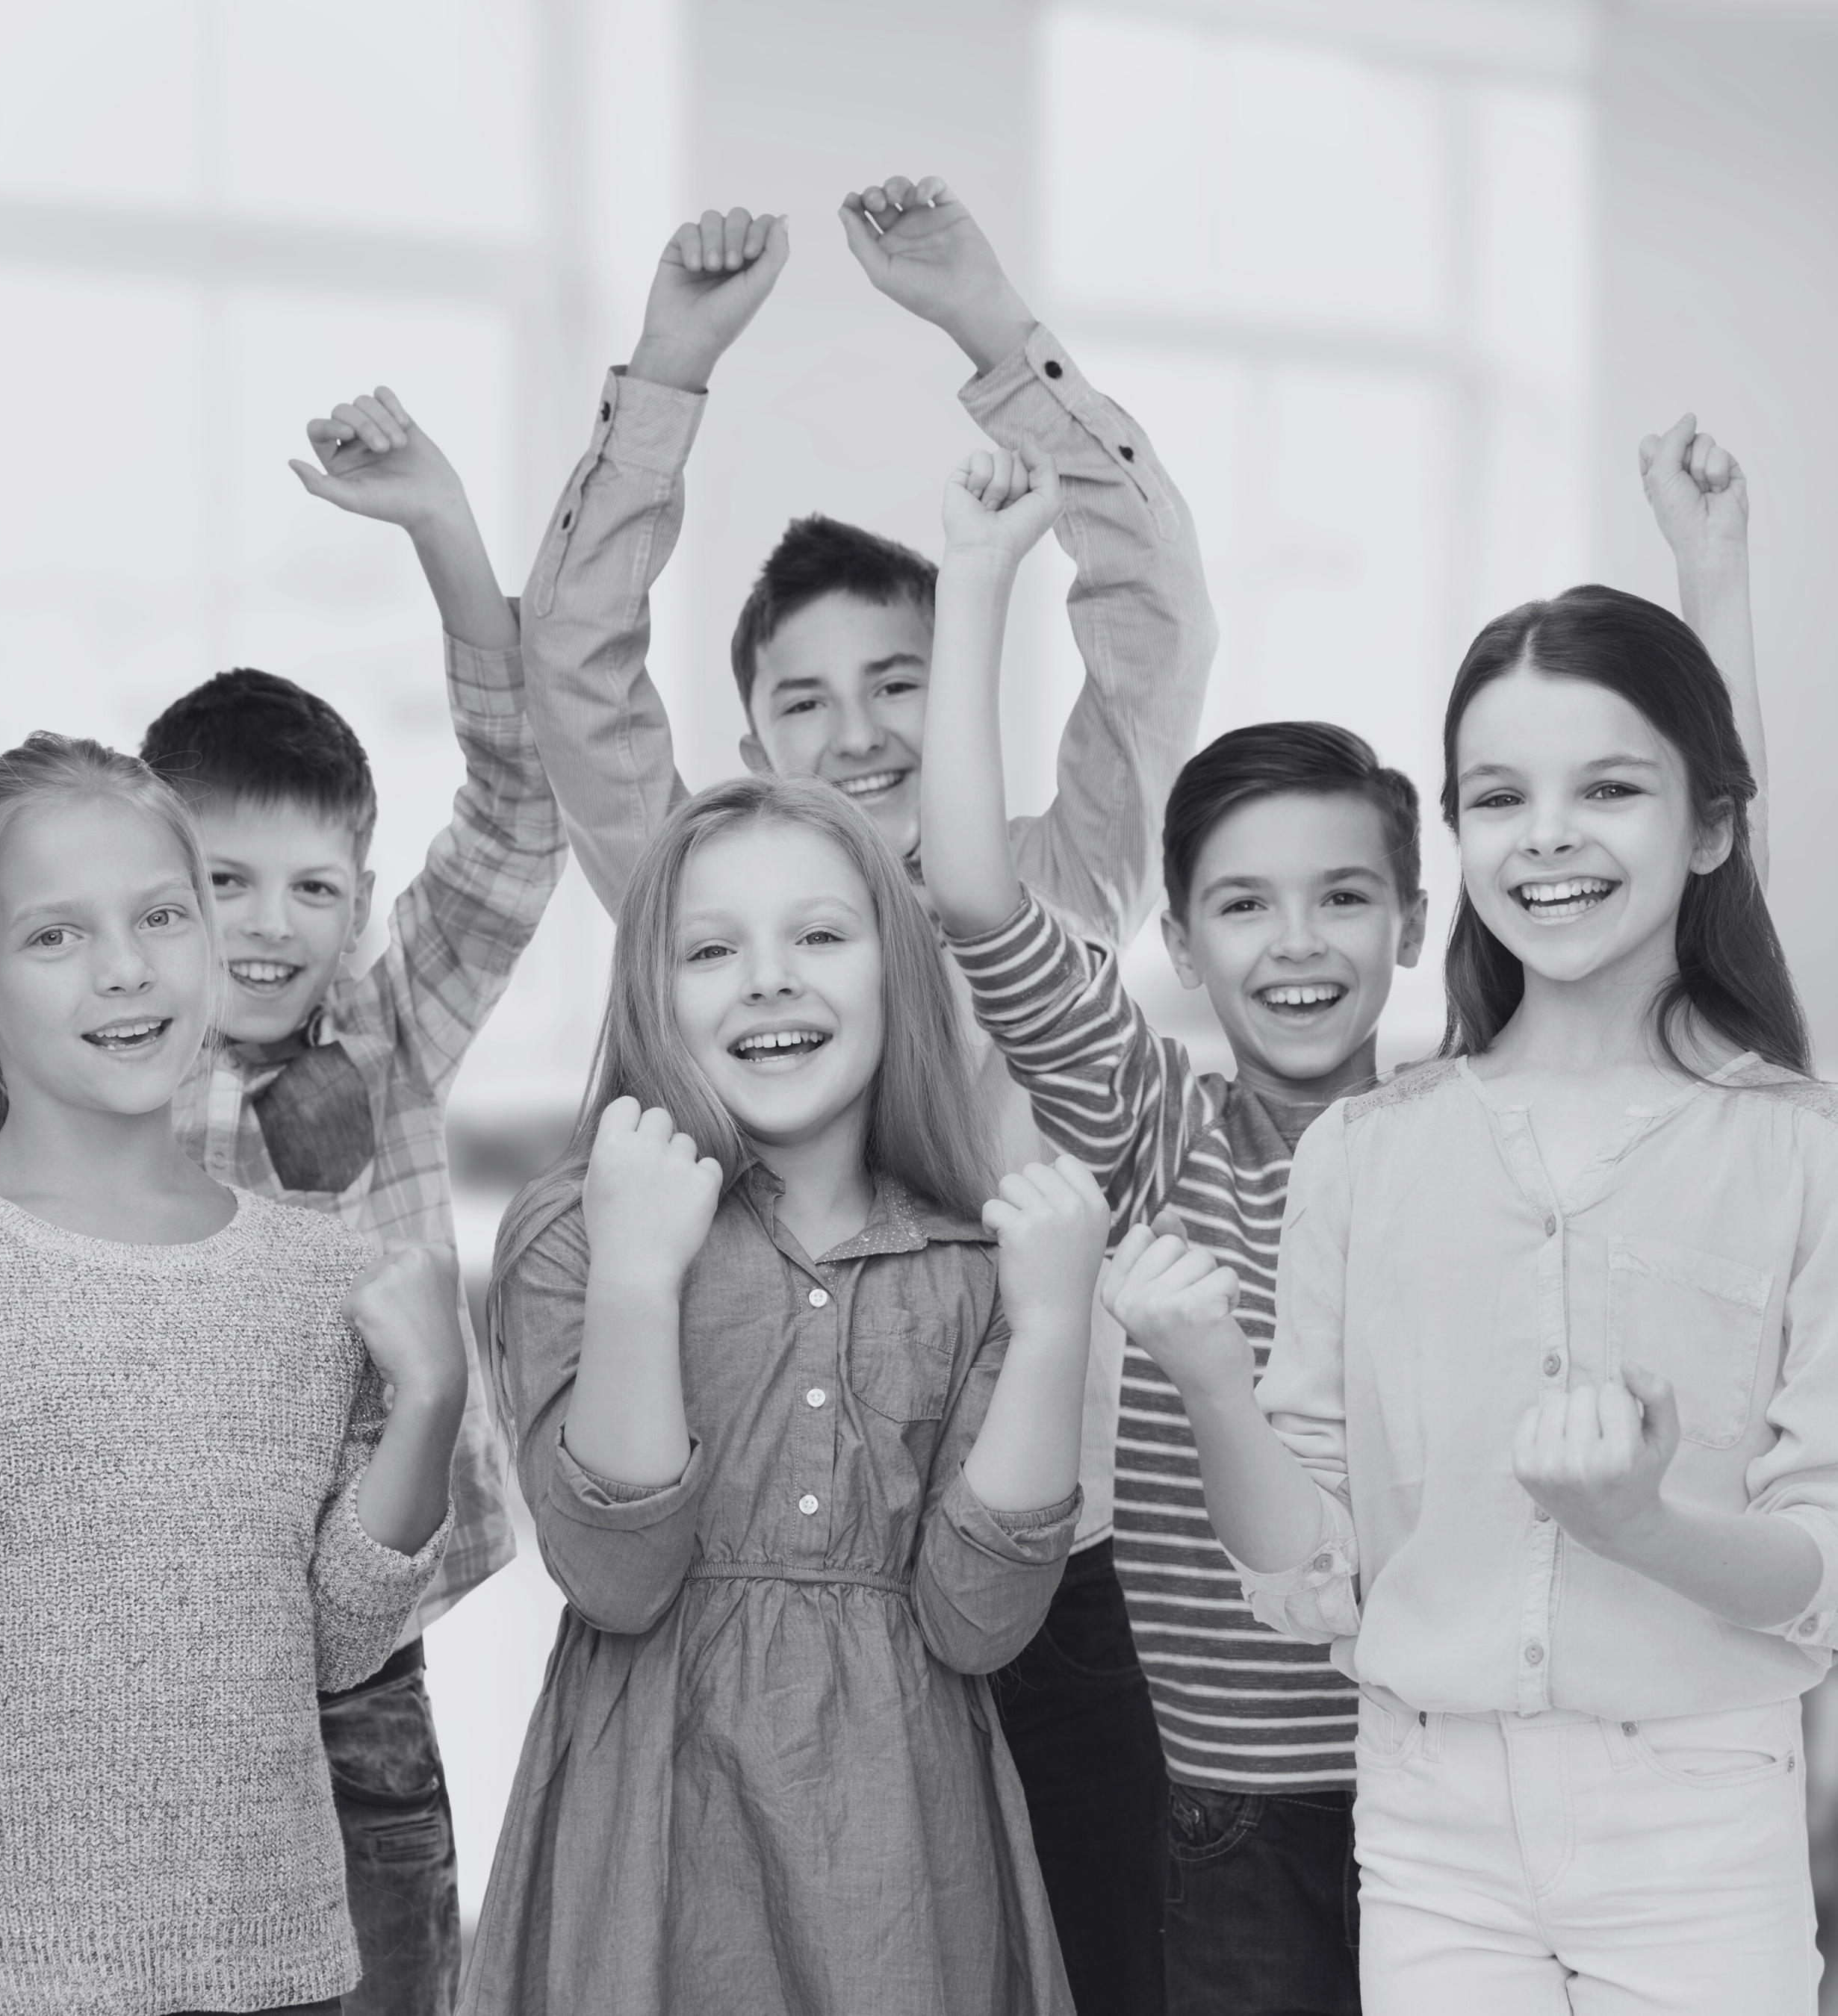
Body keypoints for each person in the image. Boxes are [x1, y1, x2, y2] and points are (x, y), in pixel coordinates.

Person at [918, 417, 1770, 2014]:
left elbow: (1707, 901)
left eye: (1342, 898)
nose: (1295, 944)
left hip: (1464, 1779)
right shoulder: (1153, 1124)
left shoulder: (1473, 1124)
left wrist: (1710, 578)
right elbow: (971, 889)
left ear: (1411, 919)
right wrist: (977, 581)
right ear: (1178, 936)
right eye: (1243, 905)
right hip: (1227, 1806)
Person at [519, 174, 1217, 2012]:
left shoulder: (1042, 891)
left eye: (904, 680)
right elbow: (575, 684)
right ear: (750, 748)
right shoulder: (718, 914)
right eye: (806, 702)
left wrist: (999, 339)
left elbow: (1151, 630)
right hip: (735, 1592)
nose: (861, 732)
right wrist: (667, 373)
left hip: (1031, 1573)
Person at [0, 388, 565, 2015]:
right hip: (65, 1699)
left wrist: (446, 531)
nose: (260, 929)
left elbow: (519, 814)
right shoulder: (6, 1073)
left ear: (363, 906)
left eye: (314, 889)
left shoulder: (391, 1024)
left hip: (349, 1652)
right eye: (211, 886)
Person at [1099, 548, 1828, 2001]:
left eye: (1609, 790)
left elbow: (1820, 1574)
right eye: (1500, 798)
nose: (1547, 839)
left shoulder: (1798, 1153)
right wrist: (1211, 1386)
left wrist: (1640, 1523)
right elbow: (1305, 1578)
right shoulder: (1364, 1159)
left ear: (1709, 829)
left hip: (1698, 1817)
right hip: (1426, 1816)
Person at [0, 732, 462, 2015]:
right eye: (55, 937)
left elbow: (339, 1645)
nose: (125, 968)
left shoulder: (314, 1276)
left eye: (163, 916)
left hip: (276, 1968)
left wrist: (431, 1411)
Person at [463, 774, 1108, 2016]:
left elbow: (978, 1620)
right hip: (648, 1845)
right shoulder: (578, 1233)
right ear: (654, 993)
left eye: (818, 934)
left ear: (897, 972)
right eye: (712, 949)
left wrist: (1056, 1328)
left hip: (901, 1871)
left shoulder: (975, 1269)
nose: (768, 978)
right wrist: (641, 1277)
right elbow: (616, 1575)